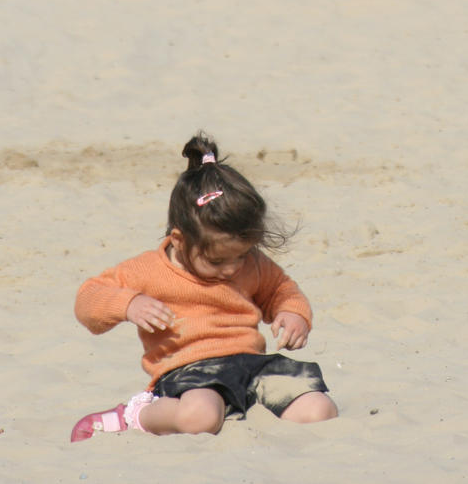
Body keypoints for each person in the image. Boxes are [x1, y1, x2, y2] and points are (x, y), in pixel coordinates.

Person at [71, 132, 338, 440]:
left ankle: (240, 408)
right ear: (179, 240)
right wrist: (129, 304)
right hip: (191, 372)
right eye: (217, 261)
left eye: (241, 256)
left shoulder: (247, 261)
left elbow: (282, 289)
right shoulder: (148, 270)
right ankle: (136, 414)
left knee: (319, 410)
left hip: (251, 366)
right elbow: (88, 299)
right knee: (200, 418)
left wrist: (294, 314)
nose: (232, 268)